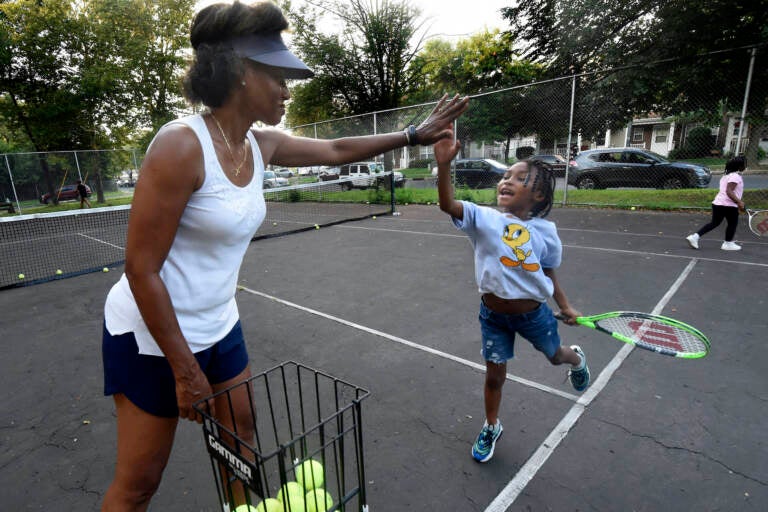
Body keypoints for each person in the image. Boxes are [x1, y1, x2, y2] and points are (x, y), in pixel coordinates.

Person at [100, 1, 469, 510]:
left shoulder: (260, 144)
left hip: (219, 324)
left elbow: (337, 150)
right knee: (140, 485)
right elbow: (140, 270)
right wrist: (184, 371)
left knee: (241, 442)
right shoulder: (179, 146)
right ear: (239, 72)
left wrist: (412, 135)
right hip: (152, 336)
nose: (288, 90)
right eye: (278, 76)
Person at [434, 129, 589, 464]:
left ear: (538, 196)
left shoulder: (546, 233)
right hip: (492, 316)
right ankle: (492, 425)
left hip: (535, 315)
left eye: (519, 178)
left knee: (555, 356)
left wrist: (564, 306)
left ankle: (576, 358)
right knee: (495, 375)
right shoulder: (484, 219)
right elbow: (447, 203)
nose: (506, 181)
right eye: (505, 175)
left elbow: (548, 271)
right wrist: (444, 166)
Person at [686, 156, 746, 251]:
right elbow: (729, 191)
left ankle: (695, 237)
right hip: (728, 205)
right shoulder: (735, 176)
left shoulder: (726, 176)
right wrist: (739, 202)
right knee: (732, 224)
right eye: (744, 164)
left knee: (714, 223)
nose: (745, 166)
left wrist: (738, 202)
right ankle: (727, 243)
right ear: (739, 166)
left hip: (718, 203)